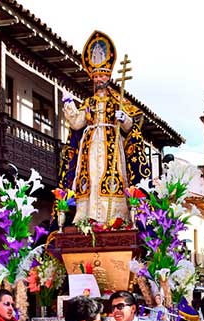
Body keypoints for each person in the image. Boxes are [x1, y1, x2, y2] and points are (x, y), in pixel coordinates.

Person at [59, 30, 150, 224]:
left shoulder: (118, 100)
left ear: (108, 77)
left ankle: (116, 219)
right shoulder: (88, 102)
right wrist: (68, 105)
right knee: (90, 179)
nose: (98, 80)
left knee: (113, 177)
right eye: (96, 77)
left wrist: (123, 118)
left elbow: (132, 126)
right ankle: (86, 218)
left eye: (102, 76)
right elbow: (77, 123)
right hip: (90, 146)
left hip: (111, 144)